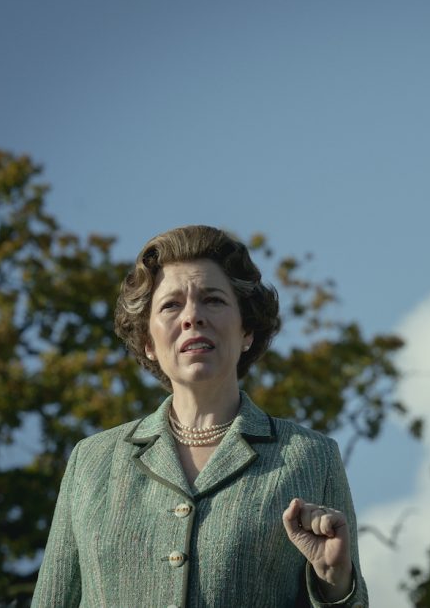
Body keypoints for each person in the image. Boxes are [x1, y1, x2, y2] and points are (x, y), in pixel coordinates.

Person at [32, 225, 368, 607]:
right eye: (171, 305)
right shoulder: (90, 462)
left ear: (247, 331)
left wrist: (334, 583)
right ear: (148, 342)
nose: (193, 316)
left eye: (213, 300)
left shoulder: (311, 458)